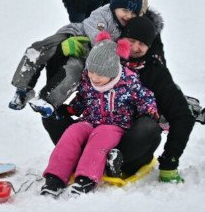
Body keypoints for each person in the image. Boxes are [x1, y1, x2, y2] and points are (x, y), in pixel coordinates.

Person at [41, 14, 193, 183]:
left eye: (142, 44)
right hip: (94, 128)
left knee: (148, 126)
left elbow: (183, 116)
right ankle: (75, 159)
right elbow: (77, 87)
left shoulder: (155, 72)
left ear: (149, 47)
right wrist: (61, 53)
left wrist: (169, 161)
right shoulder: (103, 57)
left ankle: (112, 160)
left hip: (128, 146)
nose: (135, 47)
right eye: (131, 40)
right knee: (51, 116)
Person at [40, 33, 158, 198]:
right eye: (91, 72)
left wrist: (149, 111)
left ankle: (86, 178)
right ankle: (54, 178)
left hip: (115, 126)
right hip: (89, 121)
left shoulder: (129, 82)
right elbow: (82, 99)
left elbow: (146, 98)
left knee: (101, 136)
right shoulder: (88, 81)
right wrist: (71, 109)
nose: (94, 77)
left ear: (112, 71)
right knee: (72, 132)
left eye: (99, 74)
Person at [10, 0, 153, 115]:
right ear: (115, 6)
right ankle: (23, 87)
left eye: (133, 13)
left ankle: (48, 101)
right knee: (39, 48)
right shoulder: (104, 15)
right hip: (73, 35)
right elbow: (98, 38)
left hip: (89, 57)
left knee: (73, 71)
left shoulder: (132, 28)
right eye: (125, 10)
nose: (128, 15)